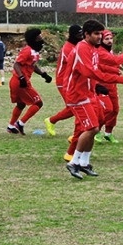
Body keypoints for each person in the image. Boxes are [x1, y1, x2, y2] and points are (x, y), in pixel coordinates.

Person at [63, 19, 123, 179]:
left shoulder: (92, 48)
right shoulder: (82, 48)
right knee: (90, 128)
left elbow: (98, 67)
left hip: (89, 93)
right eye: (96, 34)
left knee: (96, 127)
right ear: (86, 35)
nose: (100, 36)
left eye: (101, 33)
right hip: (77, 94)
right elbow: (90, 72)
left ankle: (84, 163)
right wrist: (115, 78)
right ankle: (73, 162)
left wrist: (114, 71)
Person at [44, 24, 83, 160]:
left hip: (71, 81)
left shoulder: (76, 46)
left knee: (75, 108)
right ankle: (53, 121)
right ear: (72, 35)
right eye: (79, 33)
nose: (81, 35)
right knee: (75, 108)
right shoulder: (68, 48)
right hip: (63, 82)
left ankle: (54, 122)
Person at [94, 29, 123, 144]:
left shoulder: (108, 51)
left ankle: (108, 134)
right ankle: (95, 131)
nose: (109, 41)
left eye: (110, 38)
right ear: (101, 40)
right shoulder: (100, 51)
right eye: (106, 39)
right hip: (101, 84)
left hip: (112, 84)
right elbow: (116, 60)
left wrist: (115, 69)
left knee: (115, 110)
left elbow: (104, 65)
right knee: (107, 109)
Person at [7, 28, 53, 134]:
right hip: (20, 81)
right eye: (39, 36)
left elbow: (32, 66)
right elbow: (16, 64)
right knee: (38, 103)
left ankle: (11, 126)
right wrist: (21, 77)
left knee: (21, 104)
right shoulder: (27, 50)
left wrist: (44, 75)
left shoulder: (34, 51)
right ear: (35, 38)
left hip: (17, 81)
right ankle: (20, 124)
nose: (41, 37)